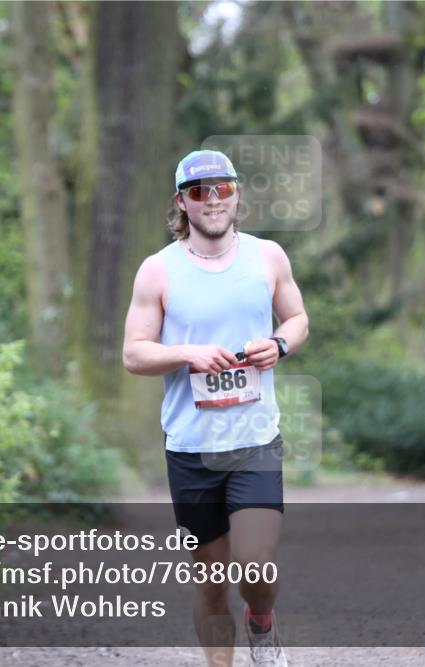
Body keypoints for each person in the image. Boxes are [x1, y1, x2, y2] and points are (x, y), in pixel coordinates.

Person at [122, 149, 309, 667]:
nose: (212, 200)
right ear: (182, 202)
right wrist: (187, 354)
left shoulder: (267, 256)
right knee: (210, 582)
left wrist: (280, 344)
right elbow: (134, 354)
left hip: (254, 441)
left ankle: (262, 623)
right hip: (191, 448)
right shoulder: (158, 270)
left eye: (222, 189)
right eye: (199, 192)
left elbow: (297, 319)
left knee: (255, 566)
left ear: (236, 195)